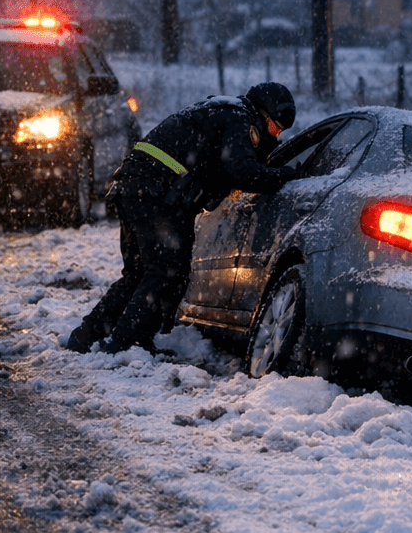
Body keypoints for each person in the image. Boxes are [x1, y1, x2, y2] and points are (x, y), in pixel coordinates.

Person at [66, 82, 299, 355]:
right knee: (166, 272)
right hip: (157, 195)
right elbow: (244, 171)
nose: (274, 135)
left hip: (133, 187)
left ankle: (86, 338)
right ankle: (127, 344)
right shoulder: (240, 119)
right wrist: (288, 176)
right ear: (262, 114)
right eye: (274, 128)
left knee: (138, 274)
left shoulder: (220, 111)